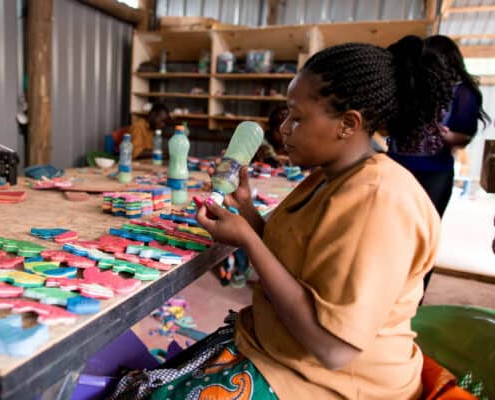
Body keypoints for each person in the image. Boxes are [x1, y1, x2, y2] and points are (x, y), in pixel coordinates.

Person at [110, 37, 452, 400]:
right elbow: (293, 257)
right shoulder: (330, 175)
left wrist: (249, 240)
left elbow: (333, 349)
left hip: (331, 382)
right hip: (275, 347)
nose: (285, 128)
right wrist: (246, 210)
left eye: (298, 117)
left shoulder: (379, 199)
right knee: (136, 386)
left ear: (348, 124)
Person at [388, 34, 490, 290]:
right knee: (389, 232)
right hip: (396, 168)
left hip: (433, 174)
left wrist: (449, 135)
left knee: (422, 238)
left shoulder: (461, 91)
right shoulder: (412, 83)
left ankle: (413, 296)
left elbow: (463, 136)